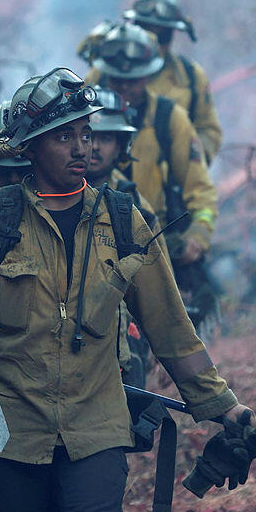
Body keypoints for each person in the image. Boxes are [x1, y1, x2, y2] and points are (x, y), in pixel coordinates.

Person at [0, 68, 256, 512]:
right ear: (31, 146)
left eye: (86, 133)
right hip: (7, 432)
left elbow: (171, 329)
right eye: (65, 136)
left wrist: (224, 406)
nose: (82, 147)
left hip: (97, 430)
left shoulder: (125, 221)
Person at [92, 24, 220, 328]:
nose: (123, 88)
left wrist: (198, 236)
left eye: (132, 80)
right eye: (116, 79)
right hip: (92, 240)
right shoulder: (80, 113)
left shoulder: (170, 119)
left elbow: (199, 188)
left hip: (155, 240)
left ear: (148, 76)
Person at [86, 87, 169, 389]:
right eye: (88, 136)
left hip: (123, 336)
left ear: (121, 145)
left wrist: (162, 344)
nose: (94, 147)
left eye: (105, 138)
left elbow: (161, 287)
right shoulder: (41, 193)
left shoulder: (135, 207)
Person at [123, 0, 223, 163]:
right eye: (145, 30)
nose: (152, 40)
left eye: (161, 33)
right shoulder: (109, 72)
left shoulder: (191, 76)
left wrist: (188, 161)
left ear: (172, 33)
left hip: (167, 186)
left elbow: (209, 131)